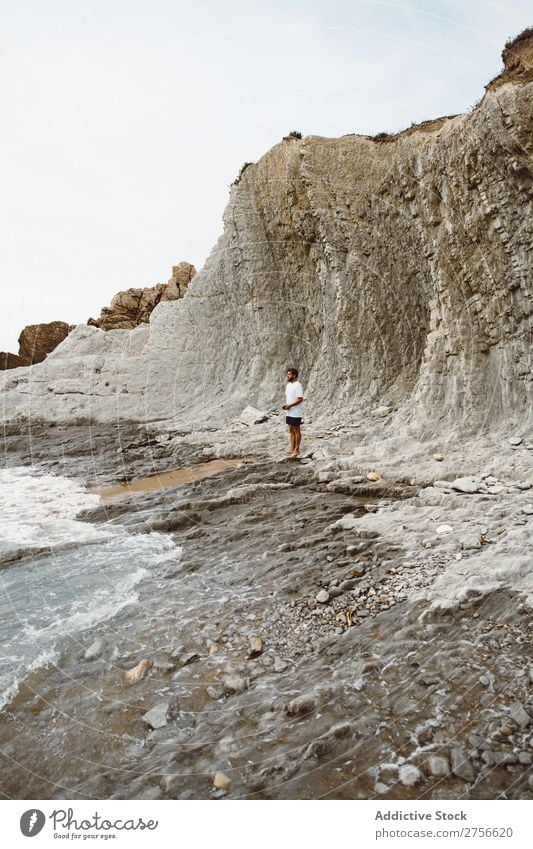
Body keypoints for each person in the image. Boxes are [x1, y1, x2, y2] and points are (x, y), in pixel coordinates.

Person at [282, 367, 304, 457]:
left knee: (296, 430)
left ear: (294, 375)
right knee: (291, 430)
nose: (288, 376)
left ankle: (297, 450)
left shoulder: (298, 385)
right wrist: (285, 405)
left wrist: (290, 406)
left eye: (289, 374)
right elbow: (289, 397)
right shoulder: (288, 385)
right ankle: (292, 448)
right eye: (287, 374)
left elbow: (300, 399)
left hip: (296, 411)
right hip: (289, 411)